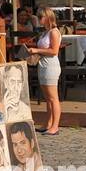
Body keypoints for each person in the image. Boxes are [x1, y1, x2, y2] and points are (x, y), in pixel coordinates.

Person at [26, 8, 63, 136]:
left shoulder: (54, 32)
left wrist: (36, 51)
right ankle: (48, 123)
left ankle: (55, 126)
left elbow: (54, 51)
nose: (39, 19)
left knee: (53, 98)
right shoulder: (45, 32)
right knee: (47, 98)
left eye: (41, 17)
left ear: (47, 18)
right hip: (43, 64)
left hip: (50, 65)